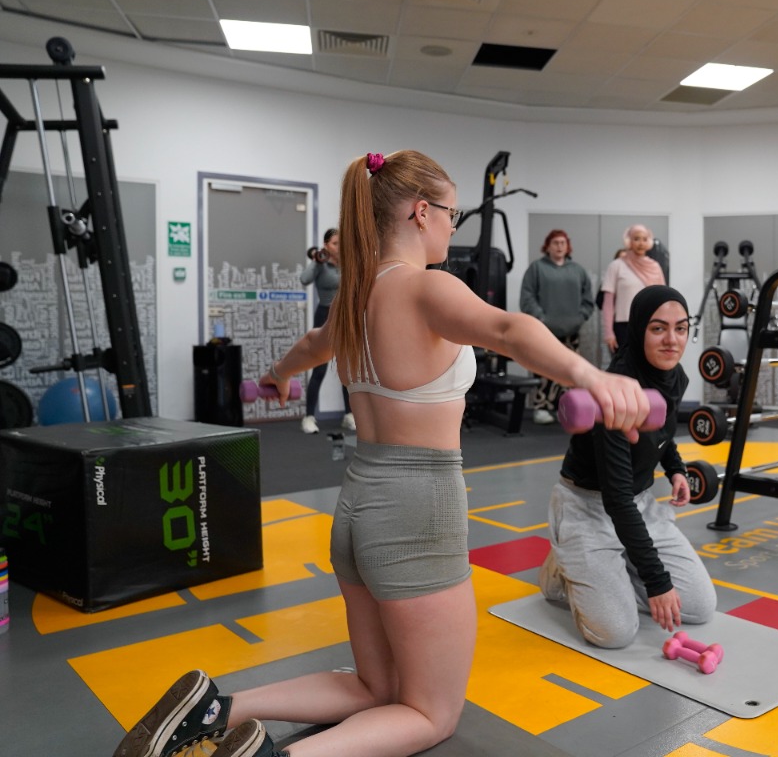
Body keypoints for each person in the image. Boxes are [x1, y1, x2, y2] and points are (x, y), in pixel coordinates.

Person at [112, 150, 652, 757]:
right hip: (417, 510)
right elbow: (507, 330)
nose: (454, 225)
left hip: (356, 507)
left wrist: (277, 379)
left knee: (379, 687)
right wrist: (593, 377)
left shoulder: (355, 301)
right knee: (431, 712)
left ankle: (217, 708)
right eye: (451, 212)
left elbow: (311, 348)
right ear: (422, 212)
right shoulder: (426, 289)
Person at [539, 285, 717, 649]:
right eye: (658, 329)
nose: (672, 340)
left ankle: (611, 569)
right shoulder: (616, 391)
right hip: (589, 506)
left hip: (639, 504)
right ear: (637, 330)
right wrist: (656, 582)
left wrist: (676, 469)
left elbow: (662, 429)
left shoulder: (675, 376)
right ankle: (561, 571)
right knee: (615, 633)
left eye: (680, 328)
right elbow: (615, 497)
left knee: (700, 607)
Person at [519, 229, 594, 424]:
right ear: (548, 246)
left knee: (571, 371)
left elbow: (588, 300)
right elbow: (527, 297)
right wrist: (541, 319)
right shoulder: (536, 268)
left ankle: (568, 408)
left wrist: (579, 318)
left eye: (563, 243)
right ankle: (540, 408)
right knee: (543, 369)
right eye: (555, 243)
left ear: (567, 246)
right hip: (544, 331)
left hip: (571, 333)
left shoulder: (578, 270)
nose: (559, 246)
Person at [299, 228, 352, 435]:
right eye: (335, 243)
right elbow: (304, 279)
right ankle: (309, 417)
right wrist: (317, 260)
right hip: (325, 316)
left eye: (342, 244)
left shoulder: (348, 264)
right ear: (326, 245)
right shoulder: (321, 265)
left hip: (345, 318)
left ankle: (349, 415)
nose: (339, 247)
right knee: (319, 369)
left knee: (347, 369)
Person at [600, 225, 665, 354]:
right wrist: (608, 333)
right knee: (623, 367)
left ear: (649, 242)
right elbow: (608, 303)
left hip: (649, 325)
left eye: (644, 239)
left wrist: (662, 328)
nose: (641, 243)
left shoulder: (655, 267)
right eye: (636, 239)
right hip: (623, 327)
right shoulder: (616, 265)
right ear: (629, 241)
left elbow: (662, 300)